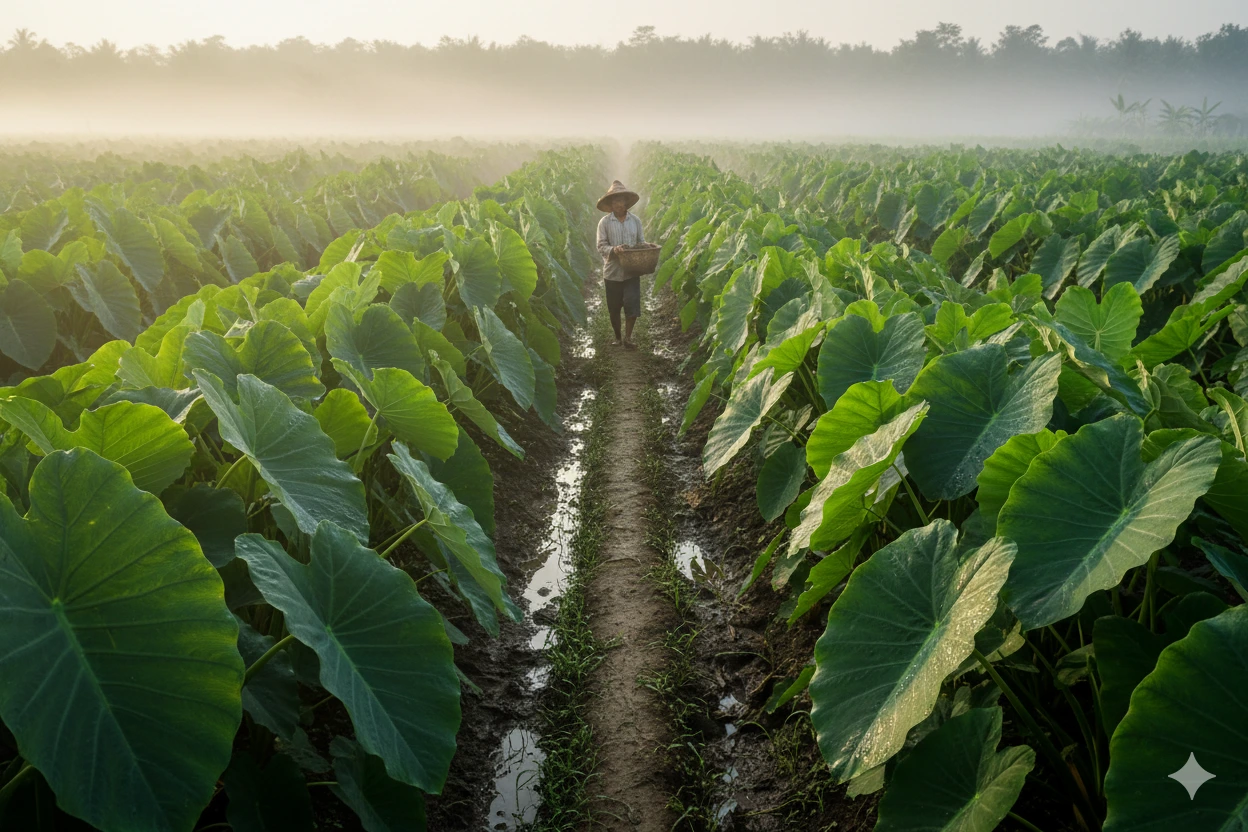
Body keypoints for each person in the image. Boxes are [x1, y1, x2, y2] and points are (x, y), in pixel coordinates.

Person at [595, 180, 645, 349]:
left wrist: (646, 247)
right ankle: (617, 337)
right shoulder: (605, 223)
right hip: (612, 272)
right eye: (615, 201)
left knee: (632, 304)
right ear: (611, 204)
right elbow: (600, 246)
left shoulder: (635, 221)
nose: (618, 204)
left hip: (631, 271)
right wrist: (614, 250)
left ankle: (628, 338)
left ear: (626, 202)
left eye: (621, 200)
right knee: (614, 308)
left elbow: (640, 242)